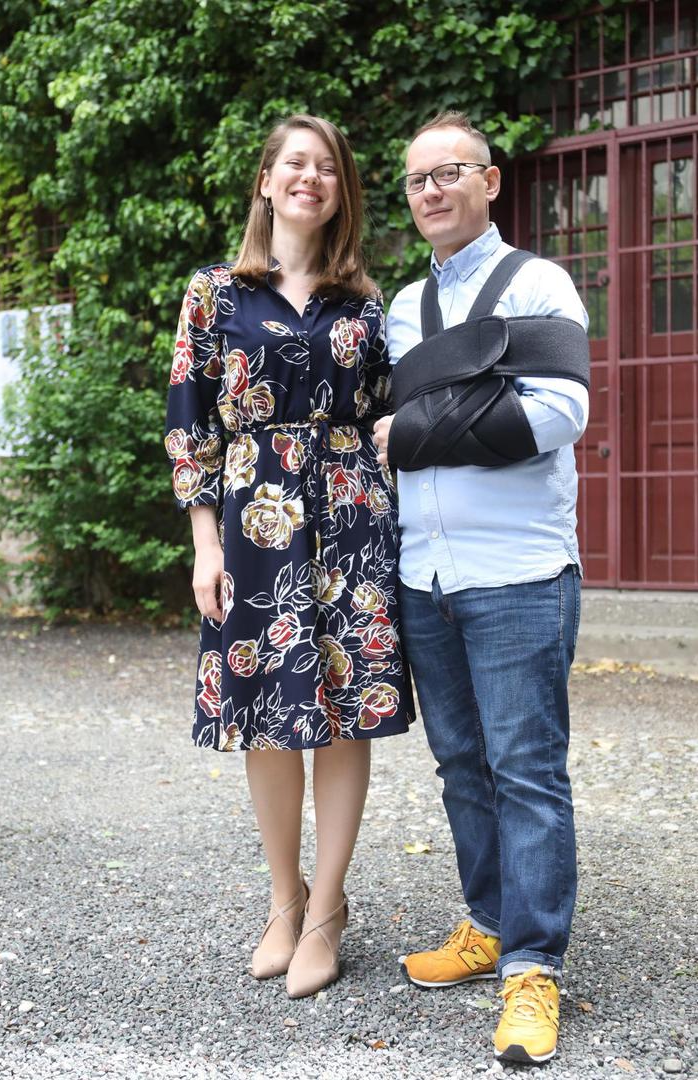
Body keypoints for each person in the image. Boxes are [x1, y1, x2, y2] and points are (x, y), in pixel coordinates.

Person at [165, 115, 415, 1000]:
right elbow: (189, 424)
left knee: (345, 711)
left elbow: (392, 415)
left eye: (328, 169)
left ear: (341, 191)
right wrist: (204, 545)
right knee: (267, 711)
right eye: (294, 164)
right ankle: (283, 899)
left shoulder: (367, 306)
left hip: (350, 515)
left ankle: (329, 909)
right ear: (267, 181)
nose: (311, 177)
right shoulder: (213, 294)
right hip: (252, 520)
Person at [372, 110, 588, 1064]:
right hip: (426, 576)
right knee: (462, 767)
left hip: (518, 572)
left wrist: (418, 433)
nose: (430, 191)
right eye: (417, 179)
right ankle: (490, 925)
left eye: (449, 173)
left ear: (490, 182)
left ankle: (534, 968)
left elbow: (554, 414)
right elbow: (393, 433)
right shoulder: (403, 313)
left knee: (526, 772)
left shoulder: (537, 283)